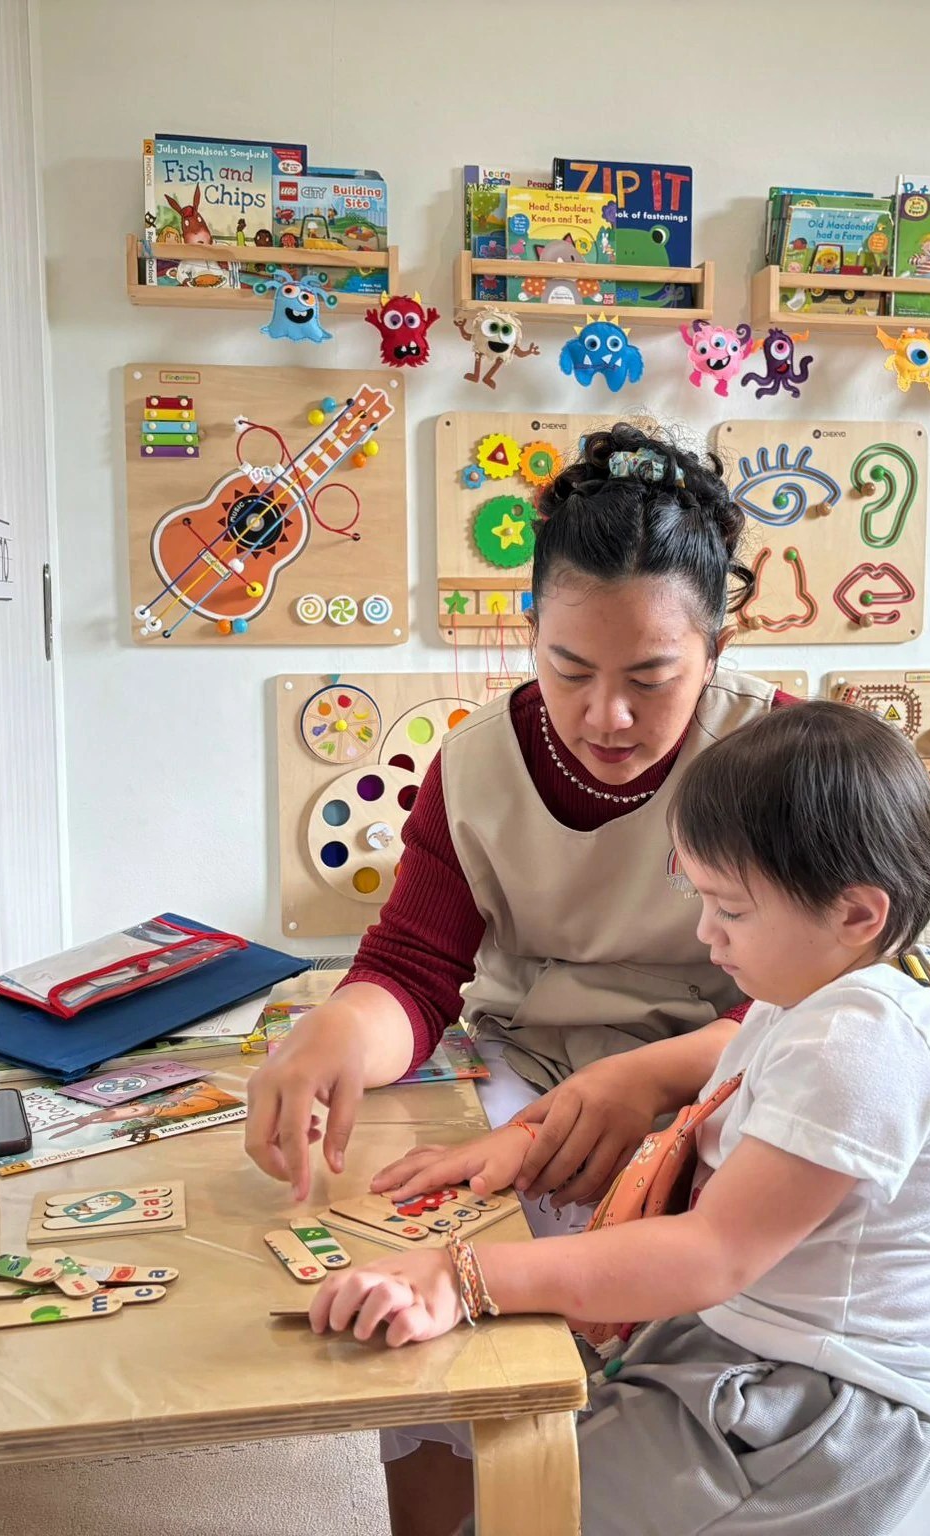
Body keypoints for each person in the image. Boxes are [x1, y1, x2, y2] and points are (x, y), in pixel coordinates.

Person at [244, 422, 793, 1530]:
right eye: (567, 669)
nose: (606, 716)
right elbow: (412, 969)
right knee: (426, 1242)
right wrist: (338, 1031)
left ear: (718, 649)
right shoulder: (476, 761)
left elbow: (826, 998)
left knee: (704, 1294)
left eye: (652, 678)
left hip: (730, 1066)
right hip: (525, 1064)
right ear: (527, 632)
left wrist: (649, 1079)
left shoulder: (779, 758)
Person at [310, 702, 930, 1536]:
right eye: (699, 898)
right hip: (739, 1346)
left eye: (731, 910)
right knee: (481, 1422)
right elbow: (706, 1115)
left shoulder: (863, 1040)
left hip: (820, 1410)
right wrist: (524, 1138)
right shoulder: (813, 998)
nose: (707, 935)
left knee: (520, 1517)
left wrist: (465, 1275)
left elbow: (712, 1252)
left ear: (857, 914)